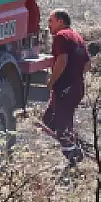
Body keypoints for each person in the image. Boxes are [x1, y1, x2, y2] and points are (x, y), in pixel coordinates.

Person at [40, 8, 89, 166]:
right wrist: (74, 76)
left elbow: (62, 60)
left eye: (51, 21)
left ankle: (74, 158)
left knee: (61, 126)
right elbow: (87, 65)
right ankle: (74, 144)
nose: (48, 25)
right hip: (76, 87)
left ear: (60, 22)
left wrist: (52, 81)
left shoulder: (61, 36)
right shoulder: (77, 37)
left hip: (65, 89)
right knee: (49, 120)